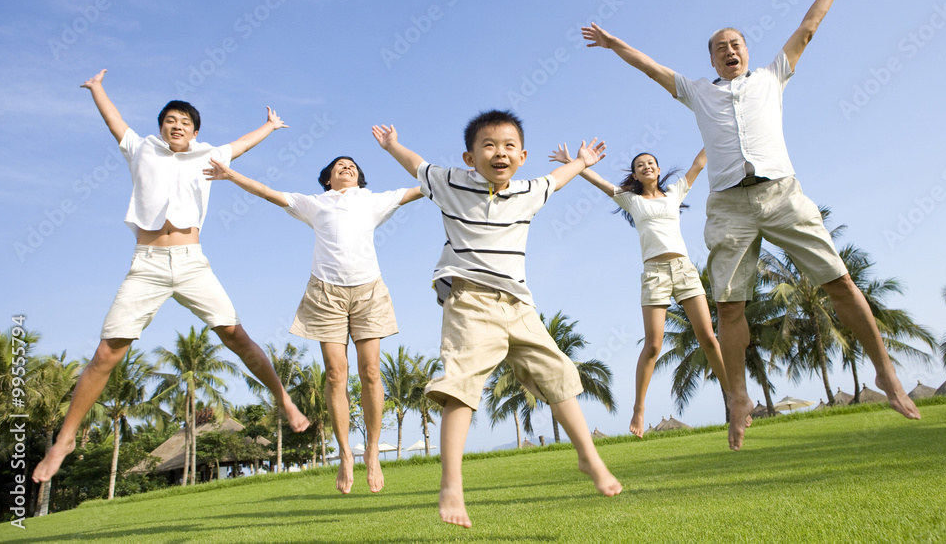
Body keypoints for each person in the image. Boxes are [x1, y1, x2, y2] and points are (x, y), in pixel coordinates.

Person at [581, 0, 920, 451]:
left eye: (735, 43)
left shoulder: (771, 76)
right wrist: (613, 44)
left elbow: (806, 30)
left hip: (783, 194)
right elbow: (651, 68)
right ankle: (737, 399)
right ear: (712, 60)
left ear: (746, 50)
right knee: (730, 307)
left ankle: (886, 374)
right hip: (728, 207)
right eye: (719, 48)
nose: (729, 50)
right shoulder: (697, 92)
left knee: (842, 284)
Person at [32, 69, 310, 484]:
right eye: (169, 121)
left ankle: (284, 399)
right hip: (146, 264)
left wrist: (269, 126)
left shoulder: (208, 155)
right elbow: (114, 122)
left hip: (192, 260)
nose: (176, 126)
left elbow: (240, 145)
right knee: (108, 352)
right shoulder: (141, 148)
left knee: (236, 335)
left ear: (195, 132)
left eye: (184, 123)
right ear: (160, 127)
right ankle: (66, 438)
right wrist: (97, 88)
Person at [372, 111, 622, 528]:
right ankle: (451, 483)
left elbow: (556, 180)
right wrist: (392, 145)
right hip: (470, 302)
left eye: (508, 146)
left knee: (558, 374)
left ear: (522, 156)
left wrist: (581, 162)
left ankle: (588, 456)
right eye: (488, 145)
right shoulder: (450, 183)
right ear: (470, 158)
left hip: (520, 304)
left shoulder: (528, 190)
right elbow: (418, 164)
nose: (499, 152)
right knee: (461, 386)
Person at [204, 154, 422, 494]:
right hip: (325, 293)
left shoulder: (373, 200)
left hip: (369, 291)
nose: (347, 167)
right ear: (327, 179)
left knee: (371, 371)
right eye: (339, 166)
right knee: (335, 373)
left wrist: (466, 175)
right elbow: (266, 192)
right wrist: (231, 174)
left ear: (360, 178)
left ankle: (373, 452)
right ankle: (346, 454)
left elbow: (421, 188)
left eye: (352, 165)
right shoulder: (316, 203)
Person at [550, 145, 740, 436]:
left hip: (685, 271)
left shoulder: (675, 192)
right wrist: (574, 163)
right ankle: (639, 408)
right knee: (653, 345)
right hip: (655, 275)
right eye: (640, 165)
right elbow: (599, 182)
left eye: (650, 163)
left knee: (709, 338)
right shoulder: (631, 200)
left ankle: (734, 397)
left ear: (659, 170)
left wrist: (715, 120)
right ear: (636, 175)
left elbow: (699, 163)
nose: (646, 166)